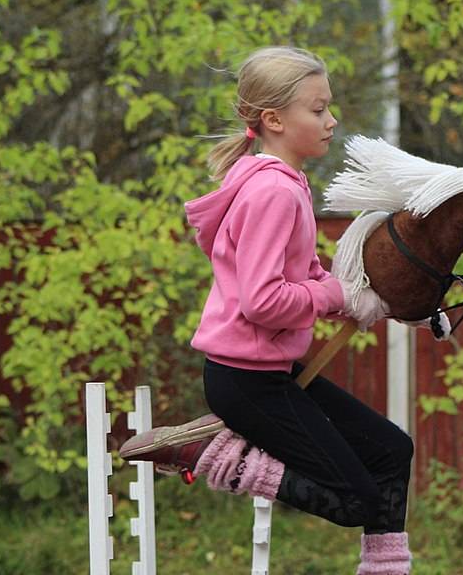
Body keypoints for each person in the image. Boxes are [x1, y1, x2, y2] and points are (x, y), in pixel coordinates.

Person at [121, 46, 412, 574]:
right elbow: (263, 302)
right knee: (355, 501)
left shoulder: (282, 182)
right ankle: (209, 456)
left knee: (391, 451)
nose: (332, 119)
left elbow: (300, 273)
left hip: (268, 373)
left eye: (329, 107)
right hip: (246, 382)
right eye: (318, 109)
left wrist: (370, 297)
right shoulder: (273, 192)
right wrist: (338, 297)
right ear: (274, 119)